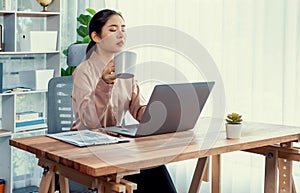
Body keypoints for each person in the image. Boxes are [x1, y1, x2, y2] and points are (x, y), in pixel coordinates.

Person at [71, 9, 177, 193]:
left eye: (123, 28)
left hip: (116, 145)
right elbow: (88, 123)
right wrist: (104, 83)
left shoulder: (126, 69)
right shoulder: (83, 71)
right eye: (113, 29)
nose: (121, 33)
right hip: (88, 147)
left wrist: (160, 113)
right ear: (96, 37)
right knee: (147, 172)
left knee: (154, 164)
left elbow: (139, 109)